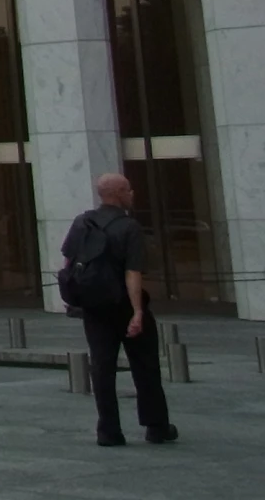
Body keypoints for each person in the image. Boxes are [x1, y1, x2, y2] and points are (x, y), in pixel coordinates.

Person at [61, 172, 177, 447]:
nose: (132, 194)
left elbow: (68, 262)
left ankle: (108, 431)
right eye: (129, 189)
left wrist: (74, 296)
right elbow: (133, 273)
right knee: (145, 365)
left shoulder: (82, 222)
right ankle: (156, 425)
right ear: (118, 193)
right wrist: (137, 311)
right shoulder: (129, 227)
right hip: (123, 305)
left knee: (102, 367)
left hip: (94, 307)